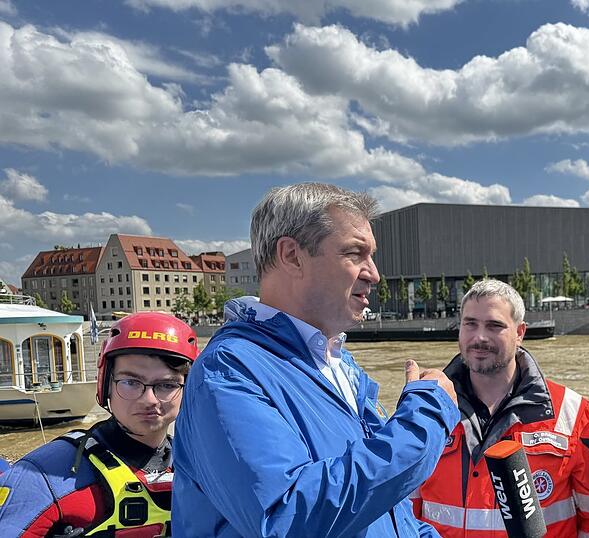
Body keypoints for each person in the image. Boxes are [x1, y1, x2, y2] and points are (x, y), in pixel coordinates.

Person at [172, 183, 460, 537]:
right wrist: (427, 416)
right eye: (356, 253)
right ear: (292, 255)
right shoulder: (229, 371)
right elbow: (289, 517)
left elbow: (381, 512)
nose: (374, 273)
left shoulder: (339, 364)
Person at [411, 279, 589, 537]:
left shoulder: (572, 413)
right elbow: (406, 513)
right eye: (470, 324)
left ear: (520, 332)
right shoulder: (427, 408)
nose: (479, 337)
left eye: (494, 326)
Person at [0, 312, 198, 537]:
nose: (149, 399)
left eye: (167, 385)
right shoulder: (44, 475)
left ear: (188, 390)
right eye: (130, 382)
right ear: (106, 385)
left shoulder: (199, 467)